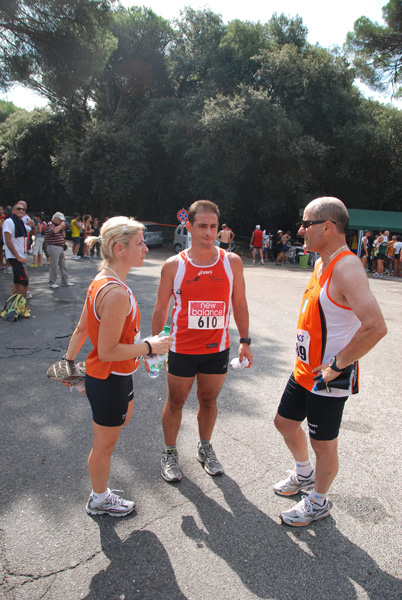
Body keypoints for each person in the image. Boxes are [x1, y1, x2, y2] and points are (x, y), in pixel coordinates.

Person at [273, 197, 387, 527]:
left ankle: (318, 501)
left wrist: (337, 365)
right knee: (284, 422)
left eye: (306, 223)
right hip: (305, 369)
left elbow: (376, 326)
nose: (300, 230)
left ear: (327, 226)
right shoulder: (322, 261)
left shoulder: (347, 267)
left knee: (322, 444)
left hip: (328, 375)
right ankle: (304, 474)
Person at [62, 216, 172, 516]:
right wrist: (150, 347)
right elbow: (108, 350)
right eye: (140, 243)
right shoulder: (116, 293)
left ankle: (90, 389)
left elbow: (83, 328)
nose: (146, 249)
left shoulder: (104, 280)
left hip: (118, 374)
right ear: (120, 248)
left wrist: (68, 364)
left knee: (120, 423)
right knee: (104, 446)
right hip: (109, 375)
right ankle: (99, 498)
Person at [152, 200, 253, 483]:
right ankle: (170, 452)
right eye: (202, 226)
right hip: (181, 348)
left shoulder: (231, 262)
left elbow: (240, 302)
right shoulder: (174, 265)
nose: (208, 232)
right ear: (189, 227)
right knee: (176, 401)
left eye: (213, 226)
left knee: (208, 400)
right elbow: (161, 307)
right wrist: (155, 346)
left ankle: (205, 447)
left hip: (216, 349)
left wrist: (245, 340)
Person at [2, 202, 31, 316]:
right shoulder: (9, 221)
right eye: (18, 209)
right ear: (13, 211)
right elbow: (8, 240)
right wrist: (17, 256)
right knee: (24, 280)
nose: (21, 211)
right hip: (15, 256)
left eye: (23, 210)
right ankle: (22, 306)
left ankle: (14, 304)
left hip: (20, 255)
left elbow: (32, 231)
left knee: (17, 281)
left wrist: (32, 224)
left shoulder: (20, 223)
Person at [45, 212, 74, 289]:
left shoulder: (58, 226)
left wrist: (62, 228)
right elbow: (53, 231)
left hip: (60, 247)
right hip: (53, 246)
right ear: (56, 218)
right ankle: (52, 282)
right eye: (60, 220)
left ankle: (65, 281)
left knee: (63, 265)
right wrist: (61, 225)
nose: (61, 222)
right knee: (53, 265)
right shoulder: (50, 224)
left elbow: (63, 236)